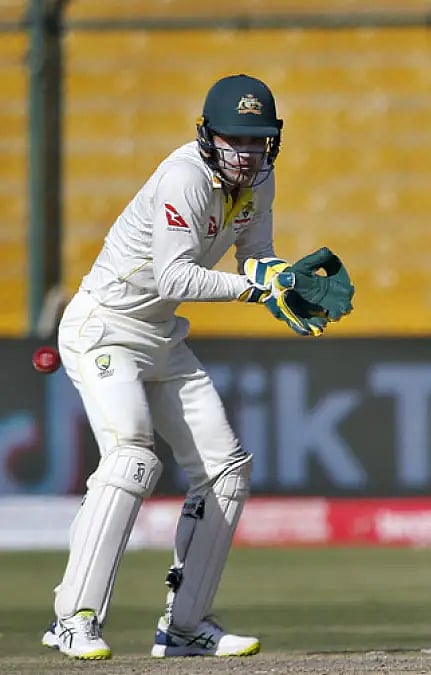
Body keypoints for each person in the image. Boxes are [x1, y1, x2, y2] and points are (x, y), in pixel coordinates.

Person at [41, 73, 327, 660]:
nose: (247, 153)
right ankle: (74, 618)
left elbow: (255, 255)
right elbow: (174, 278)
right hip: (104, 327)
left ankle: (185, 625)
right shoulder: (184, 178)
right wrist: (255, 290)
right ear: (208, 136)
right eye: (235, 139)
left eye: (258, 140)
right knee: (132, 458)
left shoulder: (261, 180)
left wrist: (279, 279)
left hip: (162, 337)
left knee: (227, 471)